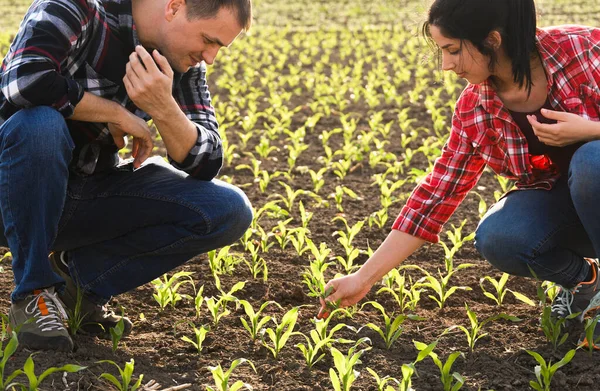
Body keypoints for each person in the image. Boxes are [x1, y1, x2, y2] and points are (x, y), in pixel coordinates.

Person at [320, 0, 600, 349]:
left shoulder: (582, 49)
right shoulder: (476, 107)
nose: (446, 65)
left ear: (493, 40)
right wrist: (363, 278)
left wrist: (590, 130)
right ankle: (585, 281)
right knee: (501, 235)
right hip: (574, 209)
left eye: (452, 50)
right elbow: (437, 194)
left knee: (592, 161)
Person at [0, 0, 253, 352]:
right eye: (208, 40)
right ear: (175, 7)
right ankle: (34, 294)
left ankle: (76, 288)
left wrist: (164, 108)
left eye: (218, 48)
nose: (209, 57)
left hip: (86, 193)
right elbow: (24, 81)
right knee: (40, 124)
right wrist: (114, 112)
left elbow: (207, 160)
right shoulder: (76, 6)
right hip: (11, 192)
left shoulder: (181, 63)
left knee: (227, 209)